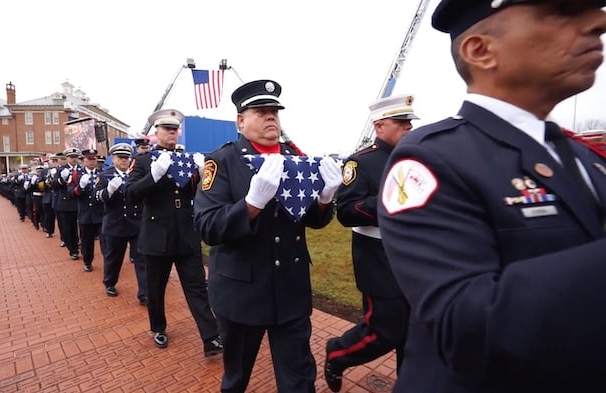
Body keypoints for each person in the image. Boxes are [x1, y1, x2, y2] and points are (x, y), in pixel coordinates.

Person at [376, 2, 606, 392]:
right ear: (480, 50)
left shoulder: (581, 155)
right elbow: (464, 323)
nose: (598, 22)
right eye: (559, 13)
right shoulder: (432, 157)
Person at [193, 80, 343, 392]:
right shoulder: (222, 161)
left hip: (290, 290)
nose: (271, 116)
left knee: (300, 381)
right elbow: (207, 226)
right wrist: (250, 205)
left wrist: (325, 198)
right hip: (242, 293)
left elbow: (312, 220)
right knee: (236, 380)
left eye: (274, 110)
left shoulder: (295, 158)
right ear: (240, 120)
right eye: (261, 111)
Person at [323, 95, 417, 392]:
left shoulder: (417, 158)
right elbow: (347, 211)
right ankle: (337, 354)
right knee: (384, 331)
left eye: (409, 121)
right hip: (379, 260)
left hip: (415, 259)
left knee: (415, 333)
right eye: (400, 122)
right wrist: (388, 202)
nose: (409, 127)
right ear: (379, 126)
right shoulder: (361, 162)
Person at [125, 108, 223, 358]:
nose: (171, 133)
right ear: (155, 133)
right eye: (166, 129)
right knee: (156, 288)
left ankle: (210, 337)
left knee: (197, 286)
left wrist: (204, 177)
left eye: (174, 129)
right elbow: (131, 193)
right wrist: (153, 176)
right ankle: (158, 327)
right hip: (157, 235)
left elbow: (199, 193)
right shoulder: (144, 161)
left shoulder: (189, 159)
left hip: (186, 233)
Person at [95, 143, 147, 303]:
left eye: (126, 158)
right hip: (115, 224)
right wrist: (108, 191)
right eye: (121, 157)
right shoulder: (105, 176)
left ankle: (144, 293)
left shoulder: (136, 174)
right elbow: (96, 197)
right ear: (114, 159)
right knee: (113, 258)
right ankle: (110, 282)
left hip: (136, 223)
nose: (124, 161)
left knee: (142, 260)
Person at [70, 149, 105, 271]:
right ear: (83, 160)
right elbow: (71, 193)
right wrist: (80, 187)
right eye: (89, 159)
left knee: (106, 240)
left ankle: (109, 262)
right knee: (87, 241)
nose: (91, 162)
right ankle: (87, 261)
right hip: (86, 212)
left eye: (93, 159)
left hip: (101, 212)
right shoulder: (76, 174)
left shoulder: (103, 173)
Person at [53, 147, 81, 260]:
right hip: (66, 203)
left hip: (80, 201)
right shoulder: (60, 170)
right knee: (69, 228)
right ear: (67, 158)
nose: (73, 159)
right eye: (71, 157)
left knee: (82, 227)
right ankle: (73, 250)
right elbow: (54, 185)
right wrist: (61, 179)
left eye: (75, 157)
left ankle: (82, 245)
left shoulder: (82, 169)